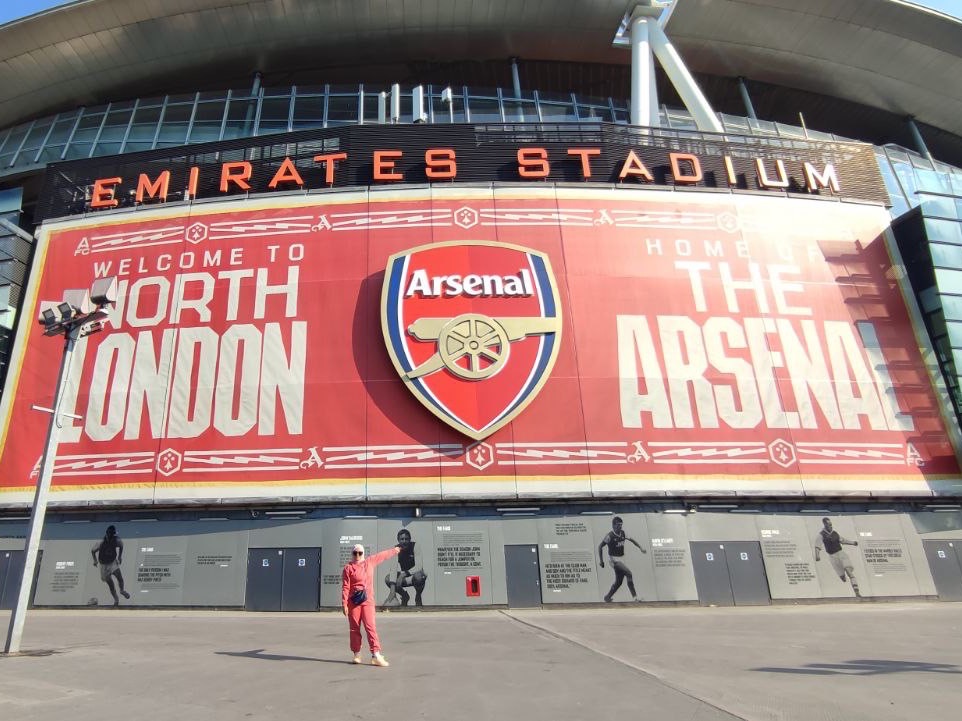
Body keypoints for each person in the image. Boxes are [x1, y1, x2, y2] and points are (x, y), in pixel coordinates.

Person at [342, 542, 400, 666]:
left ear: (363, 553)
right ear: (352, 554)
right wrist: (344, 604)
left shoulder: (369, 562)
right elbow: (345, 587)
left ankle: (376, 654)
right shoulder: (348, 568)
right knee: (354, 629)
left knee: (370, 627)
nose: (357, 555)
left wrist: (394, 550)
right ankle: (357, 653)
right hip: (353, 602)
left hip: (367, 601)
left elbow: (382, 555)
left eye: (360, 553)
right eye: (355, 553)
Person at [598, 516, 647, 602]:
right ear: (613, 525)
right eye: (618, 525)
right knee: (629, 573)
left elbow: (632, 540)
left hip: (621, 558)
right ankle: (635, 598)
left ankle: (607, 597)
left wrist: (641, 548)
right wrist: (601, 561)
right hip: (613, 560)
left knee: (619, 582)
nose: (620, 527)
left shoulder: (623, 533)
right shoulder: (609, 536)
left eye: (621, 525)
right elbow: (600, 547)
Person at [814, 517, 862, 597]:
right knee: (843, 578)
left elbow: (843, 540)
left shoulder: (835, 533)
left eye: (831, 524)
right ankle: (842, 576)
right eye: (829, 524)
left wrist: (853, 543)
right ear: (825, 524)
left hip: (841, 554)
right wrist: (817, 555)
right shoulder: (821, 535)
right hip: (832, 557)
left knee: (849, 572)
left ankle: (857, 592)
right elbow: (817, 545)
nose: (831, 526)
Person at [383, 528, 427, 607]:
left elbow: (419, 566)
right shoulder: (395, 549)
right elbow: (393, 568)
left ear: (410, 540)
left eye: (406, 539)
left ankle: (418, 596)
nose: (404, 541)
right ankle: (404, 596)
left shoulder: (415, 546)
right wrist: (392, 591)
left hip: (414, 576)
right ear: (398, 540)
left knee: (419, 576)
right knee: (388, 578)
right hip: (405, 577)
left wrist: (403, 574)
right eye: (402, 539)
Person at [91, 525, 130, 606]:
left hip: (112, 563)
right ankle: (116, 599)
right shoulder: (101, 543)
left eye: (113, 535)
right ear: (108, 534)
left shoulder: (117, 541)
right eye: (111, 534)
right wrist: (95, 560)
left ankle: (122, 590)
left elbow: (121, 546)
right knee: (111, 584)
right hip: (104, 565)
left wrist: (119, 556)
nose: (113, 536)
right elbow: (93, 551)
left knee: (119, 577)